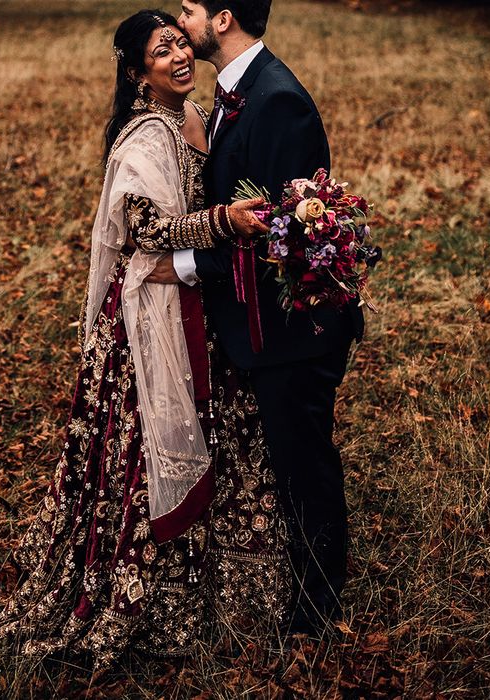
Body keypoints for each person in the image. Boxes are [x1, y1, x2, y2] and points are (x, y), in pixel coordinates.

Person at [0, 10, 290, 670]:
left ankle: (224, 583)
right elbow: (150, 232)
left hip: (195, 301)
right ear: (138, 73)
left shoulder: (201, 116)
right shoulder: (143, 138)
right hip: (144, 322)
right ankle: (139, 588)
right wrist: (223, 222)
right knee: (140, 452)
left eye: (181, 42)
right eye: (163, 52)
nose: (180, 56)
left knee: (220, 434)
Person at [151, 0, 365, 636]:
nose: (181, 21)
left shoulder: (275, 99)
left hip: (295, 330)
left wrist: (186, 264)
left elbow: (280, 232)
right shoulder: (236, 92)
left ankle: (317, 607)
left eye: (190, 9)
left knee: (305, 462)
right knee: (288, 457)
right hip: (264, 326)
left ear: (221, 20)